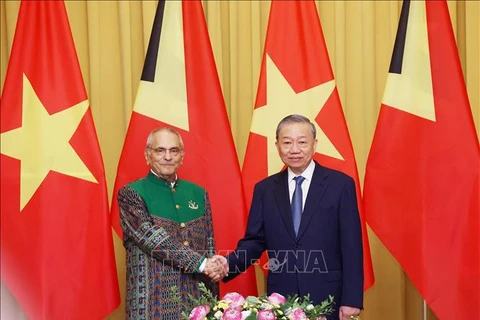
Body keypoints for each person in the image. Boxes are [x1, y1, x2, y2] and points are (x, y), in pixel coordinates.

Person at [223, 114, 363, 320]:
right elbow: (255, 241)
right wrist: (226, 265)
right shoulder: (265, 189)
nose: (294, 149)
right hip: (280, 299)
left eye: (302, 142)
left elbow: (351, 246)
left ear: (314, 145)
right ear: (277, 145)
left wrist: (351, 299)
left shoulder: (340, 185)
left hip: (328, 297)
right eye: (287, 142)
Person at [117, 127, 226, 319]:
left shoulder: (198, 194)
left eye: (174, 150)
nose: (167, 156)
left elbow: (209, 246)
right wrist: (202, 264)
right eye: (160, 150)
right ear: (147, 155)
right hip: (153, 304)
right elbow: (153, 239)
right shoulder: (132, 193)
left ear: (182, 156)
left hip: (198, 303)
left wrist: (214, 274)